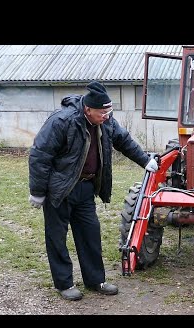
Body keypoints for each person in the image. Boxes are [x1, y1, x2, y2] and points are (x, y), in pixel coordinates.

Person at [28, 81, 159, 301]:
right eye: (102, 112)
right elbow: (40, 155)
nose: (107, 116)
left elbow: (123, 141)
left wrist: (145, 160)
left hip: (86, 187)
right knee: (57, 238)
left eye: (109, 111)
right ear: (88, 110)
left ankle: (95, 280)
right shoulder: (62, 121)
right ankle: (64, 283)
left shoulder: (106, 121)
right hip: (59, 190)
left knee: (90, 234)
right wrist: (38, 191)